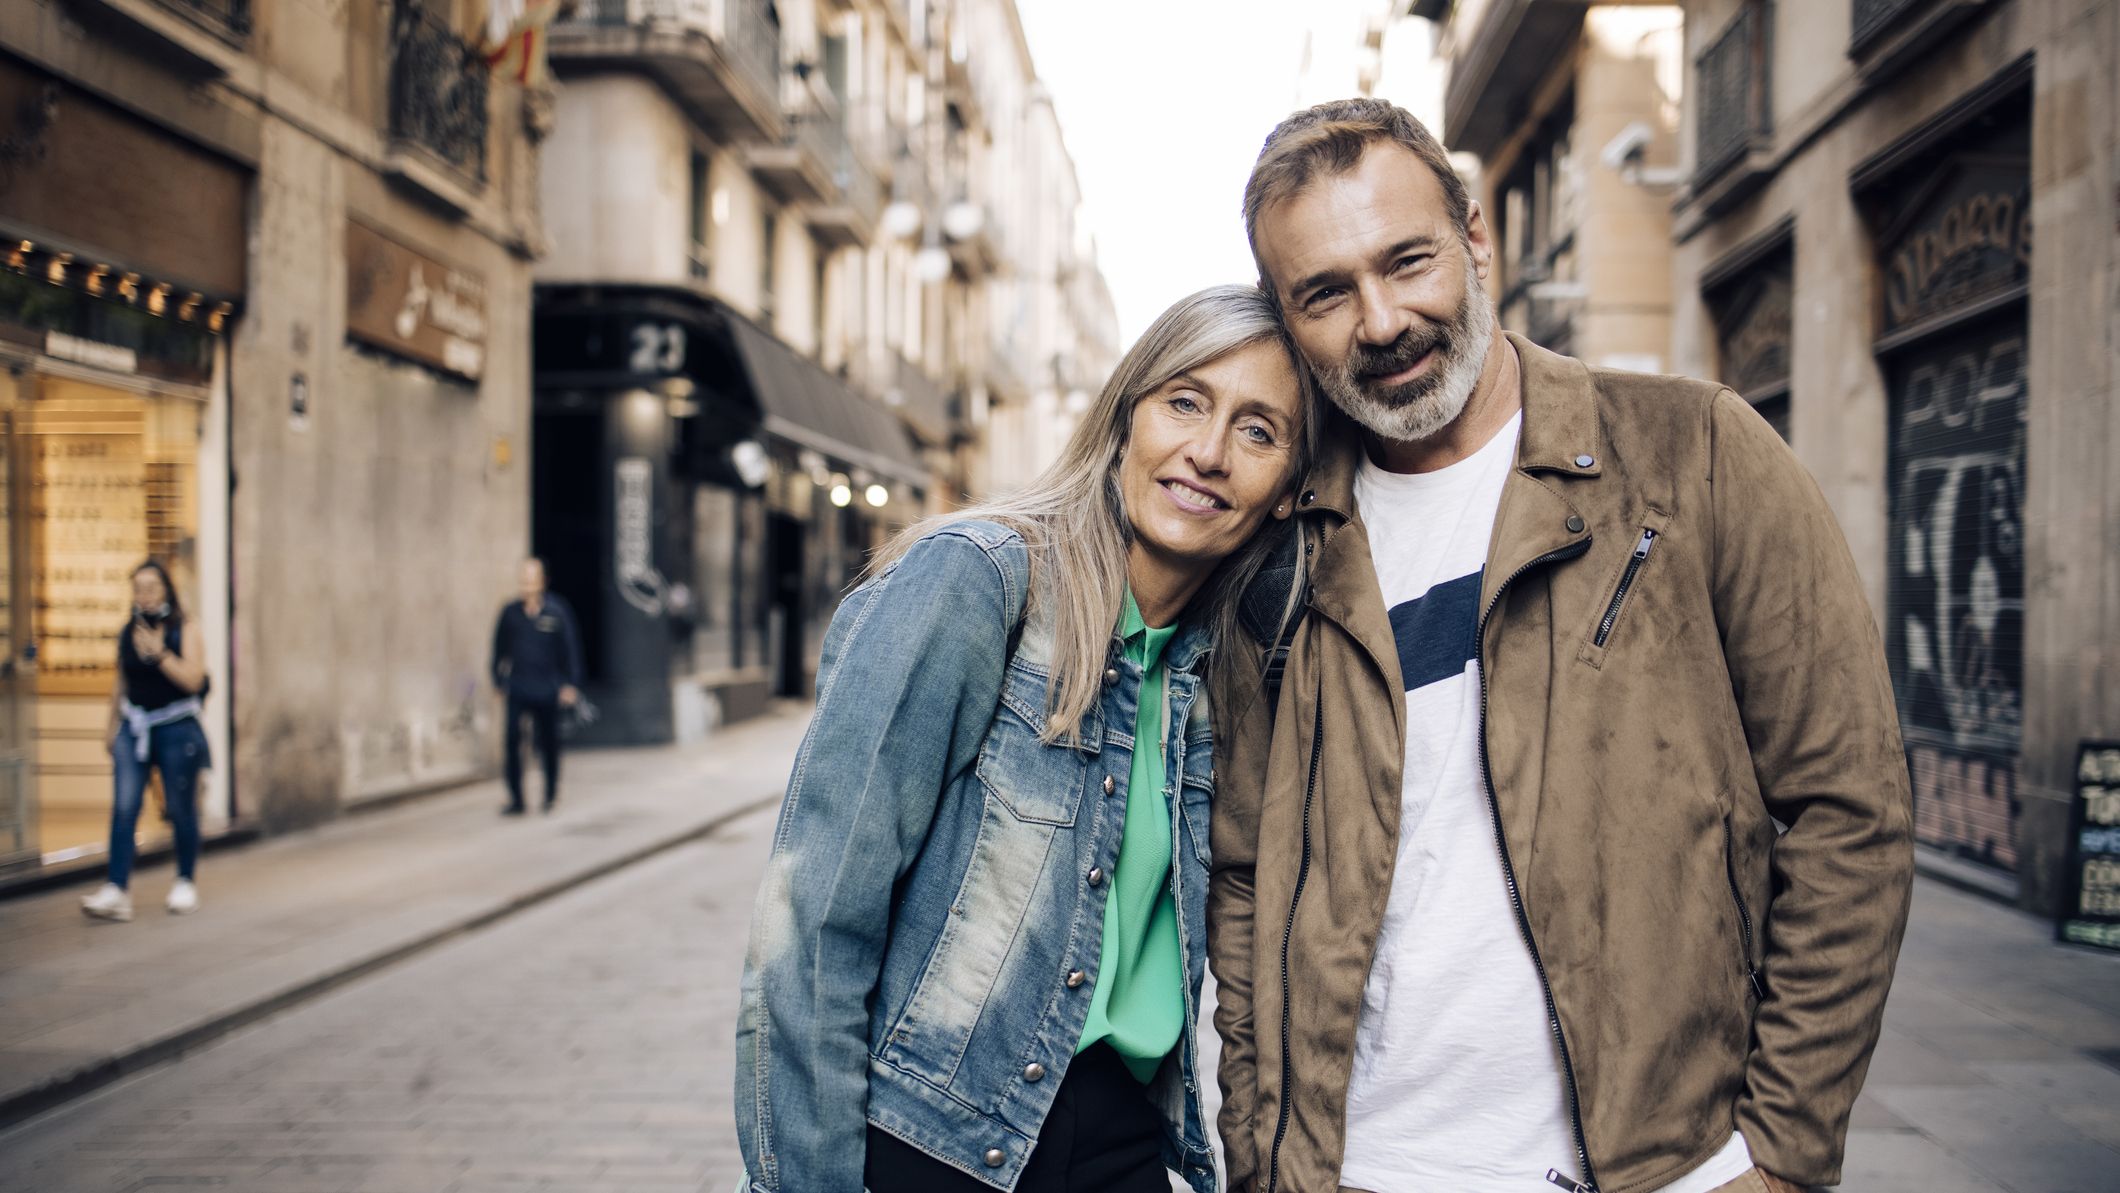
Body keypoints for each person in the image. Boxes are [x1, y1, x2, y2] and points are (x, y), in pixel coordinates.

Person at [1207, 98, 1914, 1193]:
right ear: (1285, 317)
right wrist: (1260, 1152)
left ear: (1476, 239)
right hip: (1360, 1167)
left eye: (1407, 261)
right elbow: (1246, 875)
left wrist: (1776, 1148)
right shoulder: (1277, 542)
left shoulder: (1693, 452)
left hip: (1662, 1162)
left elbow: (1849, 806)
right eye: (1326, 293)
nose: (1382, 319)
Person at [734, 286, 1314, 1193]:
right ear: (1126, 419)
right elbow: (812, 920)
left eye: (1258, 431)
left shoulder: (1219, 674)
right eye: (1186, 401)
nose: (1208, 452)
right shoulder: (977, 582)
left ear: (1286, 491)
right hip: (928, 1141)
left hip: (1123, 1135)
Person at [80, 561, 213, 922]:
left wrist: (160, 655)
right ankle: (117, 889)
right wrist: (110, 726)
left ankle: (185, 881)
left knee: (180, 808)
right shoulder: (128, 632)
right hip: (134, 726)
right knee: (124, 807)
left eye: (152, 587)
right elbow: (120, 682)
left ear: (166, 590)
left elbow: (194, 680)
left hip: (175, 727)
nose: (145, 595)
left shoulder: (184, 628)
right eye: (138, 588)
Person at [489, 558, 583, 815]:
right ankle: (516, 798)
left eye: (531, 579)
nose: (526, 585)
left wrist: (569, 684)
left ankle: (550, 794)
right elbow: (498, 650)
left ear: (542, 582)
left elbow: (570, 650)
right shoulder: (510, 613)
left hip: (547, 688)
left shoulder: (556, 612)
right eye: (523, 580)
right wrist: (498, 681)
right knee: (512, 740)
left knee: (549, 742)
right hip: (518, 687)